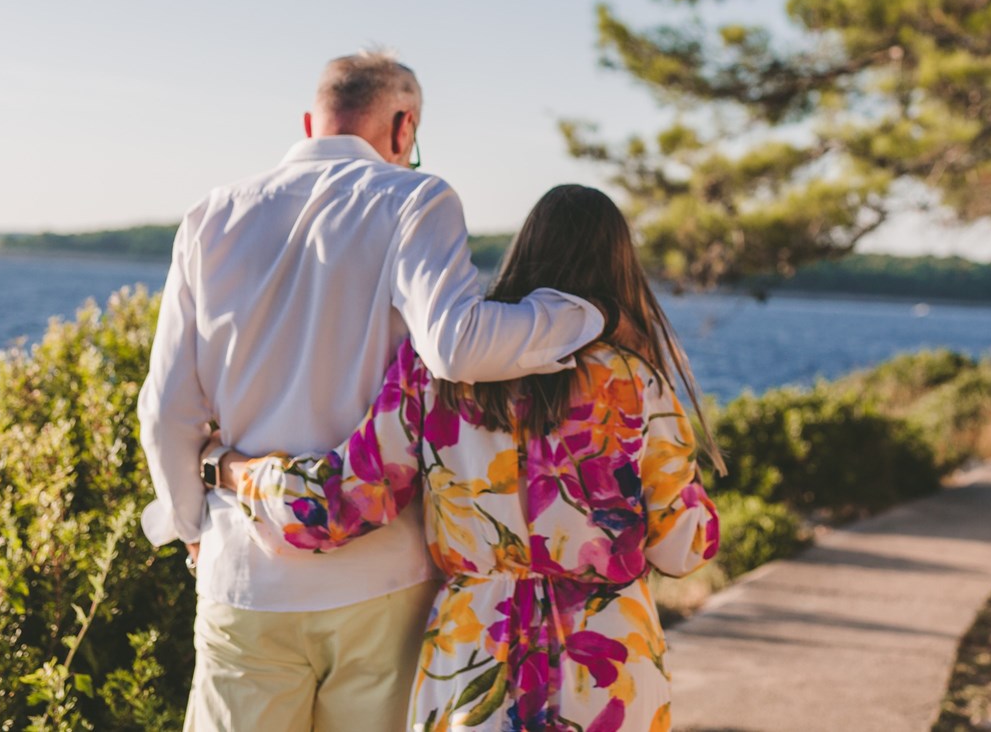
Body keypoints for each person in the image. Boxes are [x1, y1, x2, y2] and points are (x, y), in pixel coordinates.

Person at [137, 51, 605, 732]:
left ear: (310, 120)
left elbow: (166, 409)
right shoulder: (415, 197)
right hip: (380, 577)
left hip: (245, 575)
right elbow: (458, 345)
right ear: (403, 125)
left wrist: (192, 530)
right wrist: (586, 314)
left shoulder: (211, 215)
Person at [216, 184, 722, 732]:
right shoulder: (636, 380)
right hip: (609, 665)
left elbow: (342, 503)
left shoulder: (436, 373)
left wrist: (235, 472)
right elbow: (684, 548)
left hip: (474, 652)